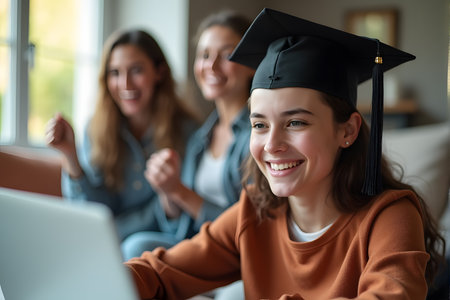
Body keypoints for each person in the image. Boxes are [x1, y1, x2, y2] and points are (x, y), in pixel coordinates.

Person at [124, 8, 446, 299]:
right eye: (260, 125)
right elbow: (162, 270)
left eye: (295, 122)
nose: (272, 144)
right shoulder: (256, 213)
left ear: (347, 131)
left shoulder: (389, 217)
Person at [120, 11, 255, 262]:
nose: (211, 66)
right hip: (198, 245)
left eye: (226, 54)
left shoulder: (258, 137)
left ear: (251, 65)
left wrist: (180, 192)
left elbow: (250, 226)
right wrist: (167, 192)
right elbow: (178, 226)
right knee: (136, 247)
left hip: (235, 253)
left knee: (136, 249)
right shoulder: (200, 138)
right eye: (204, 55)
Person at [46, 29, 197, 241]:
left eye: (136, 70)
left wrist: (109, 234)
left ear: (159, 73)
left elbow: (178, 216)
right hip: (106, 241)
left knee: (135, 246)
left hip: (162, 242)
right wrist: (70, 155)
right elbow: (91, 209)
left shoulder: (189, 132)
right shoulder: (96, 128)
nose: (125, 84)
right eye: (115, 72)